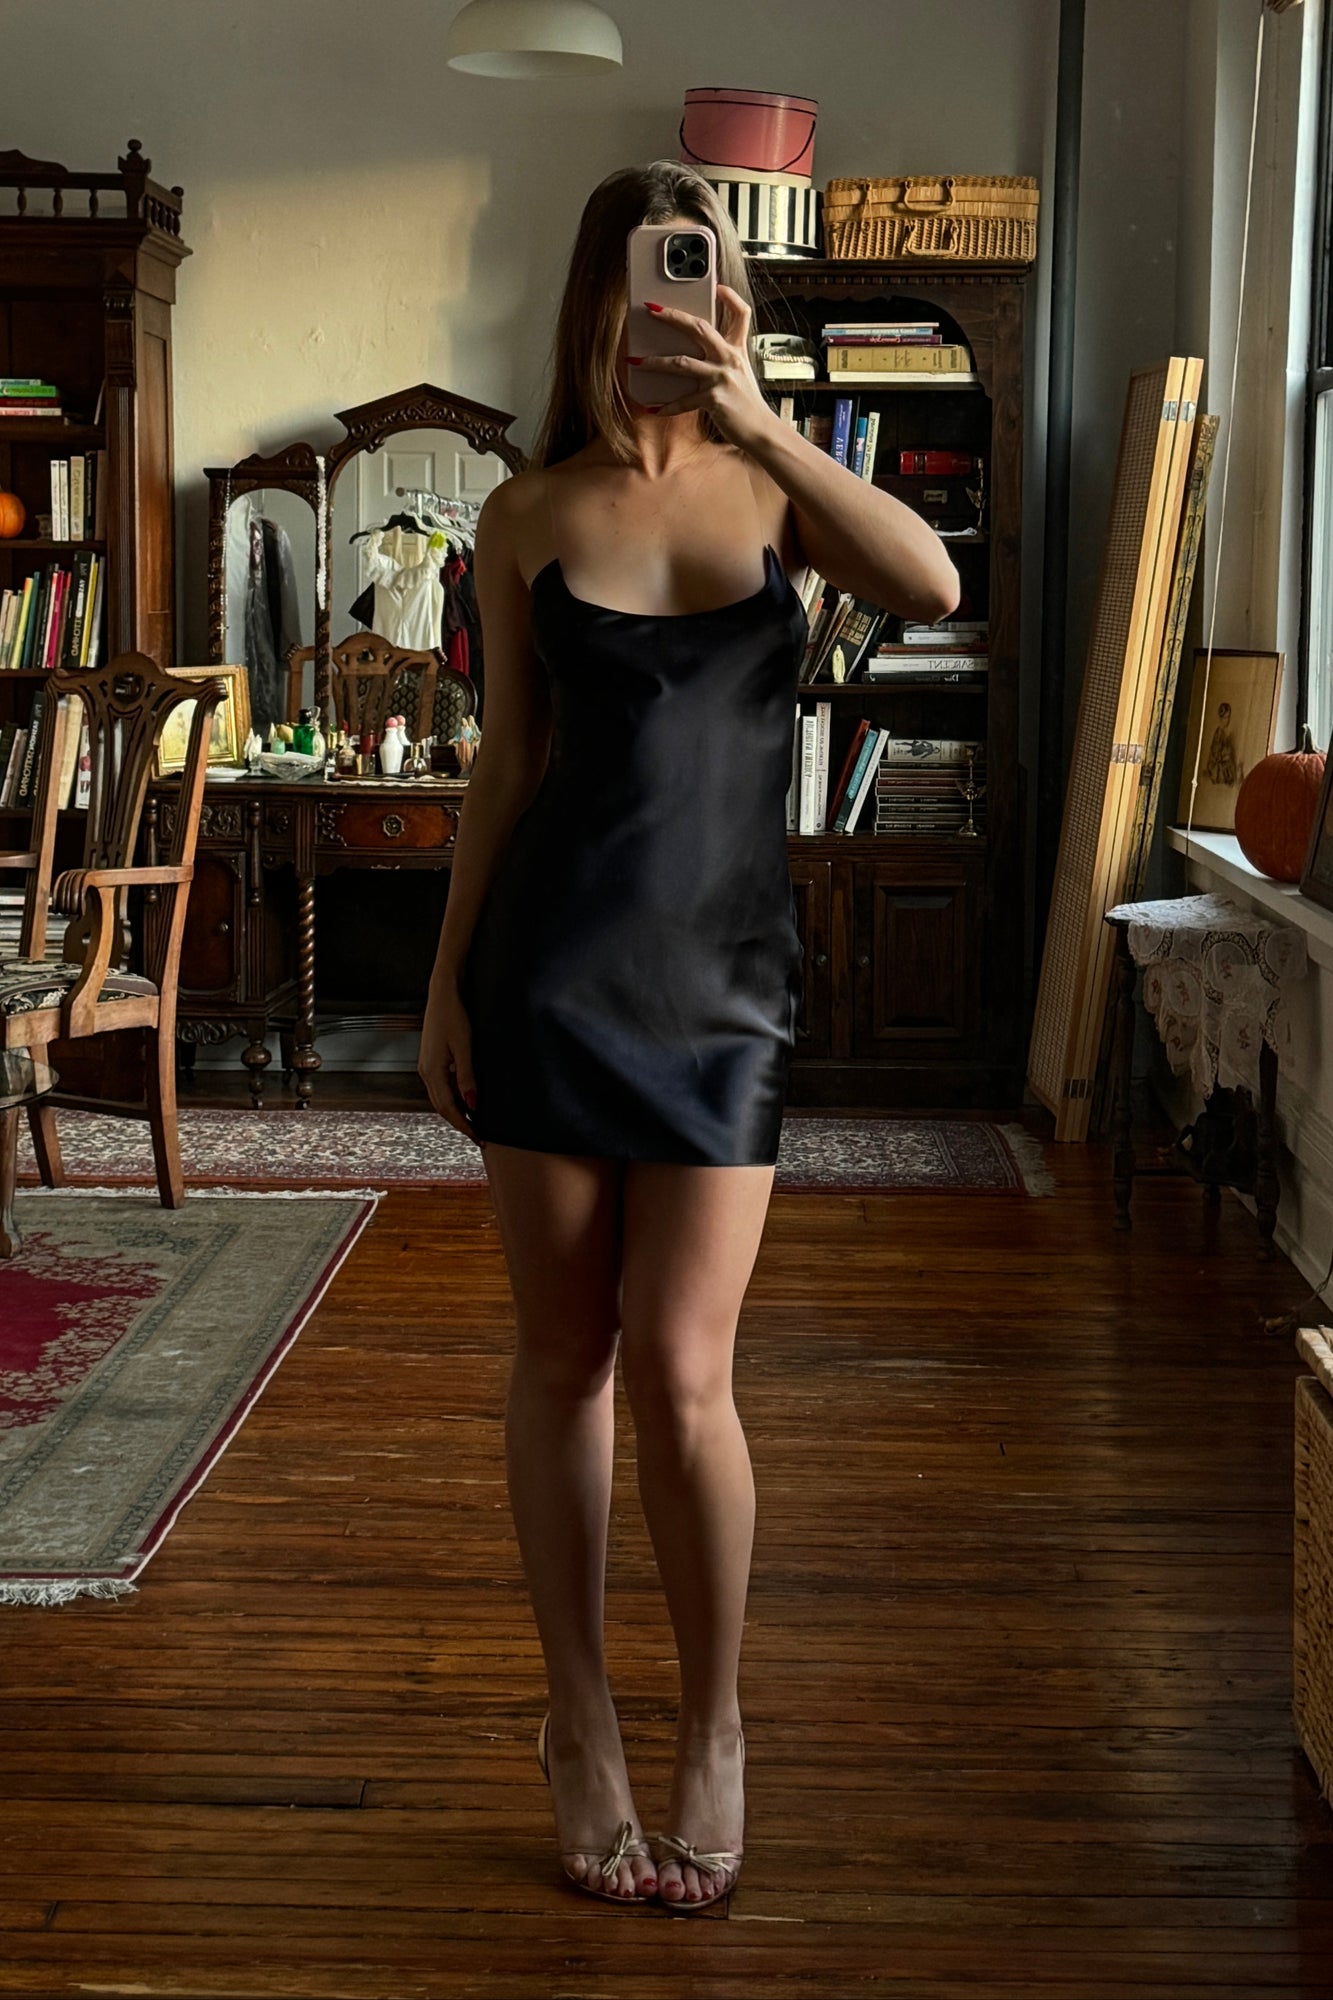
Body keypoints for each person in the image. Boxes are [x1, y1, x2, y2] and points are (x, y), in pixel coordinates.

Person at [418, 160, 959, 1913]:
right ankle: (578, 1721)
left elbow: (932, 587)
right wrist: (444, 980)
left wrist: (763, 416)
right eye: (654, 270)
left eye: (704, 269)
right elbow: (506, 764)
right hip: (551, 971)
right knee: (563, 1359)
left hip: (724, 987)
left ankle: (713, 1724)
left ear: (729, 294)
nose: (677, 297)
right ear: (601, 292)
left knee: (682, 1370)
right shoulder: (526, 513)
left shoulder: (777, 487)